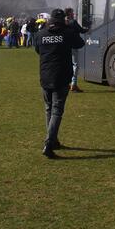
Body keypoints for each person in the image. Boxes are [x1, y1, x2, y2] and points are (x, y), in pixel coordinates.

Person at [34, 8, 85, 158]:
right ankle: (49, 143)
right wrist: (71, 28)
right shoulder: (67, 33)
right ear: (63, 19)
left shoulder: (41, 33)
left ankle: (53, 140)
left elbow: (38, 50)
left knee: (49, 108)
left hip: (45, 75)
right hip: (62, 76)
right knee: (57, 109)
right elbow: (80, 44)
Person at [65, 7, 89, 92]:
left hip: (65, 46)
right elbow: (81, 30)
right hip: (74, 46)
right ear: (69, 14)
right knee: (75, 65)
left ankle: (66, 83)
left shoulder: (64, 22)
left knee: (67, 65)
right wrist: (88, 28)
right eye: (72, 12)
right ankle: (73, 84)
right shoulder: (73, 22)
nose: (74, 13)